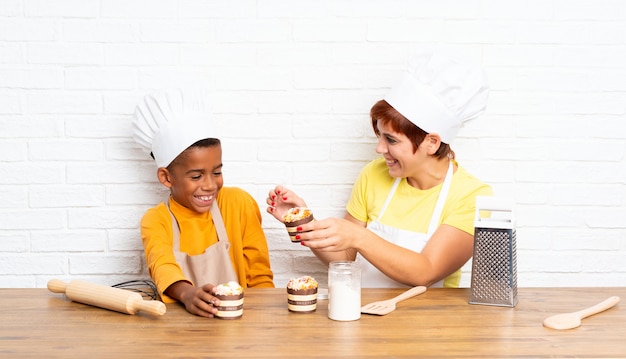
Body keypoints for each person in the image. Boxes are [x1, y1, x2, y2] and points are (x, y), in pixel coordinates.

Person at [267, 47, 493, 288]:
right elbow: (346, 258)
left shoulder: (472, 196)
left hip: (430, 322)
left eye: (391, 140)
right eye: (380, 136)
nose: (379, 149)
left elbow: (426, 271)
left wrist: (359, 237)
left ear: (432, 142)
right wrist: (303, 223)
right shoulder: (374, 174)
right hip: (366, 316)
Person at [132, 89, 274, 317]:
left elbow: (259, 274)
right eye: (196, 176)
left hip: (242, 323)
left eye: (216, 172)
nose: (209, 185)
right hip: (183, 329)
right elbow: (162, 266)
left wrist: (265, 322)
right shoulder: (156, 220)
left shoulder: (238, 203)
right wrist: (187, 294)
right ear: (166, 177)